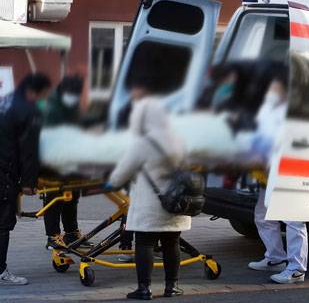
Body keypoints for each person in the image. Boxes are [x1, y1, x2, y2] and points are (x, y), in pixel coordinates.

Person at [106, 78, 190, 300]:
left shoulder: (143, 143)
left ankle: (144, 289)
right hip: (175, 201)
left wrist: (112, 182)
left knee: (145, 243)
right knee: (172, 243)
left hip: (150, 203)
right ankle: (172, 287)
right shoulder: (180, 139)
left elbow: (121, 173)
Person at [247, 72, 308, 284]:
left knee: (293, 219)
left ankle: (296, 269)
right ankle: (275, 258)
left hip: (290, 170)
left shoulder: (298, 112)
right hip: (270, 171)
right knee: (262, 215)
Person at [0, 72, 51, 286]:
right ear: (35, 92)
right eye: (43, 95)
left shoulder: (6, 101)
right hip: (5, 172)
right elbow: (30, 150)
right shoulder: (29, 110)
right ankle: (1, 270)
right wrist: (29, 182)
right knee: (2, 223)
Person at [40, 75, 93, 250]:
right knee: (55, 197)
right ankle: (53, 236)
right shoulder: (53, 107)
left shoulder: (69, 104)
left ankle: (71, 232)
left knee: (71, 196)